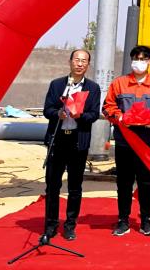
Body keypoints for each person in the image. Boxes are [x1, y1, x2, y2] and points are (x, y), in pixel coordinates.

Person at [103, 45, 150, 237]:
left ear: (149, 62)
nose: (139, 62)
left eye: (143, 59)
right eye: (136, 58)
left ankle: (146, 220)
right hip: (124, 141)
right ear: (131, 60)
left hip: (147, 142)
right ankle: (123, 220)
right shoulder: (119, 83)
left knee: (146, 182)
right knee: (123, 183)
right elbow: (107, 107)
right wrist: (120, 117)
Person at [42, 49, 101, 241]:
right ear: (70, 62)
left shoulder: (93, 88)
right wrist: (57, 113)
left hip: (77, 140)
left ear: (88, 65)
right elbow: (47, 109)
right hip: (58, 140)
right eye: (77, 60)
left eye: (84, 61)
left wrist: (80, 115)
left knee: (75, 186)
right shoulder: (57, 84)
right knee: (52, 185)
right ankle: (50, 225)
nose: (80, 64)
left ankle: (69, 225)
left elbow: (94, 115)